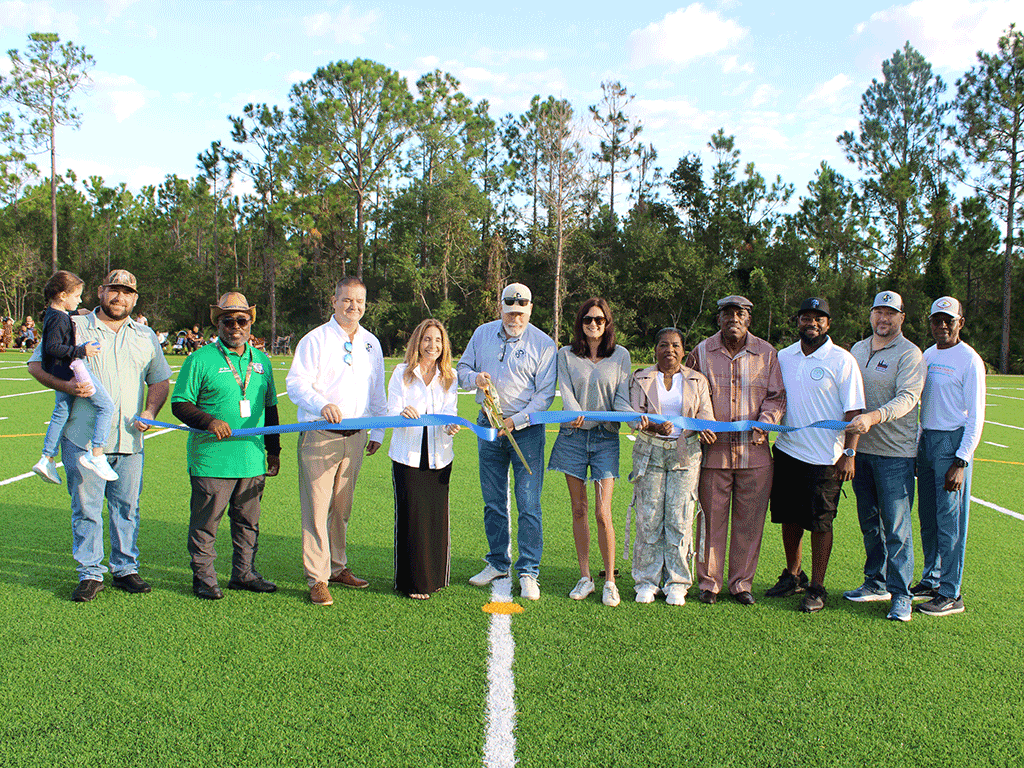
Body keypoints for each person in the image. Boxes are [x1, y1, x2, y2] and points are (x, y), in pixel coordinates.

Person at [27, 269, 171, 602]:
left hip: (129, 441)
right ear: (101, 292)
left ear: (135, 298)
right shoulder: (73, 324)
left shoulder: (146, 335)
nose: (120, 298)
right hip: (82, 438)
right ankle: (90, 573)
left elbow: (160, 380)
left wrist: (150, 411)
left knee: (126, 508)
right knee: (86, 509)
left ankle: (125, 569)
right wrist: (66, 386)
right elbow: (36, 365)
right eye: (114, 291)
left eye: (127, 292)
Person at [170, 292, 281, 600]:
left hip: (251, 458)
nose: (235, 326)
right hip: (212, 459)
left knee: (248, 522)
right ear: (217, 324)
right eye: (227, 320)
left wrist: (274, 451)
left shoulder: (261, 362)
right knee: (207, 523)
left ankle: (244, 574)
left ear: (250, 323)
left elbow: (270, 408)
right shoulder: (199, 359)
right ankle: (204, 578)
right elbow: (180, 404)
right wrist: (209, 422)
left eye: (241, 320)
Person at [286, 277, 386, 606]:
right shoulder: (315, 340)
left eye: (359, 302)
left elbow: (377, 392)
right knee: (316, 509)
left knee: (342, 508)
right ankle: (317, 577)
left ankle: (338, 566)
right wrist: (321, 405)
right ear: (334, 300)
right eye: (346, 300)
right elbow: (296, 384)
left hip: (356, 437)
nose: (353, 307)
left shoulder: (371, 343)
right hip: (320, 434)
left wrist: (378, 431)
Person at [457, 282, 556, 600]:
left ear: (529, 309)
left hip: (525, 432)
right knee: (493, 501)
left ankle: (529, 571)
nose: (515, 317)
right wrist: (475, 378)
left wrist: (517, 420)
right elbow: (461, 368)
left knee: (529, 503)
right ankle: (498, 562)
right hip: (488, 428)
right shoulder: (482, 333)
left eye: (521, 311)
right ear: (501, 307)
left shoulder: (543, 344)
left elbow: (544, 396)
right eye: (510, 311)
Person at [766, 297, 864, 613]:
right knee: (789, 516)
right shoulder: (783, 356)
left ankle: (817, 586)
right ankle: (793, 575)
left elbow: (854, 411)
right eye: (807, 317)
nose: (812, 322)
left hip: (826, 458)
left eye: (819, 318)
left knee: (821, 522)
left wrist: (849, 453)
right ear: (798, 321)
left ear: (827, 324)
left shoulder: (842, 360)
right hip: (787, 451)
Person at [686, 295, 785, 606]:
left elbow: (777, 396)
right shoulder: (701, 352)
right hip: (713, 455)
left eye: (739, 314)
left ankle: (741, 583)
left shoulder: (767, 353)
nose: (733, 319)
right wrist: (701, 421)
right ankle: (709, 584)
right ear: (718, 319)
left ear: (748, 319)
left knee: (749, 522)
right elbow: (688, 390)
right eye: (727, 313)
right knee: (710, 521)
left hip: (754, 456)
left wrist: (766, 422)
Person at [843, 291, 925, 622]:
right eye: (879, 311)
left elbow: (908, 398)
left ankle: (902, 594)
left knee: (897, 527)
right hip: (862, 452)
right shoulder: (858, 350)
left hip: (895, 456)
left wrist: (873, 417)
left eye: (891, 313)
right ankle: (875, 583)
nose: (883, 319)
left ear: (901, 318)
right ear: (871, 315)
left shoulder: (910, 354)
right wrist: (849, 447)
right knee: (870, 524)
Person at [548, 298, 632, 607]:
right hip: (572, 436)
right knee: (579, 509)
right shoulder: (566, 355)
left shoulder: (621, 355)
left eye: (599, 319)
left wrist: (634, 418)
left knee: (602, 512)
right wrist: (576, 414)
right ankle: (585, 577)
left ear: (607, 323)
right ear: (580, 323)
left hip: (605, 439)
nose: (593, 324)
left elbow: (622, 400)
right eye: (587, 319)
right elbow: (568, 397)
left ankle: (609, 580)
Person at [628, 327, 714, 606]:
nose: (670, 351)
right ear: (655, 349)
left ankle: (677, 582)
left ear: (683, 350)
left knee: (680, 517)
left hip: (685, 455)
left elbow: (705, 415)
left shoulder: (696, 380)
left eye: (675, 346)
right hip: (649, 452)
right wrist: (653, 425)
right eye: (664, 345)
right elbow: (633, 416)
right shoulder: (641, 377)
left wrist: (704, 429)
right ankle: (646, 580)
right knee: (649, 516)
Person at [915, 296, 985, 616]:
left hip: (951, 444)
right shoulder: (927, 355)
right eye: (936, 320)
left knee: (950, 522)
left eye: (948, 320)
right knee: (928, 518)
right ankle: (931, 578)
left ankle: (950, 591)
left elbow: (976, 415)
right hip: (927, 441)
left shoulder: (969, 359)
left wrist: (962, 459)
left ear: (960, 322)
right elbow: (922, 406)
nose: (941, 325)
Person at [387, 319, 460, 599]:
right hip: (407, 456)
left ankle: (435, 578)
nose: (433, 345)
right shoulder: (401, 373)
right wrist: (402, 412)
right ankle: (412, 582)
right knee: (412, 517)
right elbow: (392, 407)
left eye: (438, 341)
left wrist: (450, 426)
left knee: (436, 518)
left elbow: (449, 413)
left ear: (444, 346)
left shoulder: (449, 376)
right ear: (418, 342)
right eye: (427, 339)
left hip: (440, 457)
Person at [32, 270, 119, 486]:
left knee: (61, 413)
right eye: (76, 296)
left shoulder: (57, 315)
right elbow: (52, 347)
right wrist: (81, 350)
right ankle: (97, 453)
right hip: (75, 369)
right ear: (62, 295)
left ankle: (47, 457)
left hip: (63, 370)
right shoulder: (59, 317)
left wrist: (81, 312)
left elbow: (60, 331)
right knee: (106, 406)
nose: (79, 300)